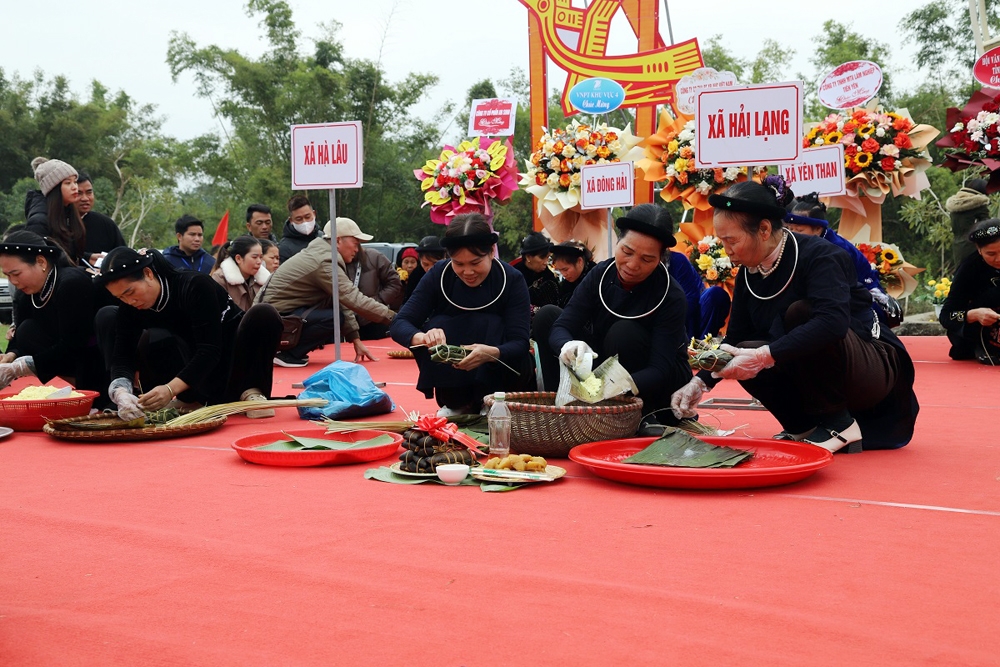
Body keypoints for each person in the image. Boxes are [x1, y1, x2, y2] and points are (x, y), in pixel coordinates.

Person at [670, 177, 919, 453]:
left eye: (732, 240)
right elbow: (737, 336)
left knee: (803, 314)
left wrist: (765, 355)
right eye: (722, 241)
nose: (727, 251)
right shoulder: (748, 273)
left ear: (764, 229)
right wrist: (699, 383)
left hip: (868, 368)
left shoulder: (821, 256)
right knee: (742, 348)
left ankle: (840, 424)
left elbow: (832, 323)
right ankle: (803, 426)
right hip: (815, 374)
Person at [533, 204, 692, 432]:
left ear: (661, 259)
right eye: (627, 252)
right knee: (547, 316)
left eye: (647, 259)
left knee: (623, 332)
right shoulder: (600, 274)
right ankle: (559, 409)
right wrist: (569, 345)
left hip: (652, 378)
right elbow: (562, 325)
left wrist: (611, 389)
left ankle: (639, 415)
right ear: (617, 243)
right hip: (606, 366)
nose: (633, 265)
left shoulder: (671, 295)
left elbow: (660, 369)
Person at [95, 247, 282, 419]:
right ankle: (191, 398)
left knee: (264, 314)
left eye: (130, 292)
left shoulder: (194, 285)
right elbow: (122, 355)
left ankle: (251, 390)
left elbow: (210, 350)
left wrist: (170, 389)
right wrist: (121, 392)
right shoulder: (130, 308)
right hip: (193, 378)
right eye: (121, 297)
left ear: (148, 273)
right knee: (111, 316)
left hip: (232, 363)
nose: (129, 301)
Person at [390, 213, 533, 416]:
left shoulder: (511, 279)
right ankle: (457, 404)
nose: (467, 272)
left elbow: (520, 343)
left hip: (502, 379)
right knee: (438, 324)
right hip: (454, 384)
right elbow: (400, 323)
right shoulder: (440, 275)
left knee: (490, 322)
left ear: (492, 252)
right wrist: (424, 337)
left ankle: (489, 402)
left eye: (475, 263)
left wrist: (491, 353)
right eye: (459, 263)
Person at [256, 219, 392, 367]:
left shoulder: (322, 254)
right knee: (334, 318)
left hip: (270, 319)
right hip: (271, 324)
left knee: (334, 312)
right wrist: (396, 320)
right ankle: (289, 354)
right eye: (356, 243)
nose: (357, 249)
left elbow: (341, 301)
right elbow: (353, 299)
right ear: (338, 240)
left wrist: (355, 339)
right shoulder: (325, 261)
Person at [0, 231, 106, 400]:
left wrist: (22, 366)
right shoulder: (25, 294)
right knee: (27, 329)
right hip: (57, 356)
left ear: (41, 262)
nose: (13, 281)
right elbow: (19, 336)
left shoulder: (71, 283)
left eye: (16, 274)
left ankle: (77, 391)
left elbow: (74, 343)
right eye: (7, 276)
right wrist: (10, 356)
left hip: (92, 359)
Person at [784, 193, 901, 326]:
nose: (792, 234)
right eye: (790, 229)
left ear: (817, 229)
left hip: (856, 298)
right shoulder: (797, 244)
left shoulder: (837, 249)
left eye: (799, 230)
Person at [938, 218, 1000, 363]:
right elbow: (946, 315)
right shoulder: (969, 269)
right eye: (990, 254)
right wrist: (973, 315)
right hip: (981, 335)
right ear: (979, 250)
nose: (998, 259)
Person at [343, 225, 403, 340]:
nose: (355, 249)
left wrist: (377, 302)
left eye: (357, 244)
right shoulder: (333, 262)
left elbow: (394, 283)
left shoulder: (375, 257)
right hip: (347, 322)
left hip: (375, 319)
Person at [24, 157, 87, 265]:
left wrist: (87, 258)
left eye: (75, 182)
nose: (75, 187)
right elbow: (38, 265)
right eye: (68, 183)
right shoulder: (39, 221)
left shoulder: (68, 214)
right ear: (53, 189)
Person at [74, 172, 127, 267]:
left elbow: (123, 256)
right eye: (79, 193)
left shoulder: (106, 224)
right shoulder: (58, 224)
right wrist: (86, 258)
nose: (85, 198)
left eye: (89, 192)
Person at [211, 236, 271, 312]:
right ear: (238, 258)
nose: (259, 262)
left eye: (261, 257)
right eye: (254, 257)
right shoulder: (220, 279)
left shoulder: (264, 280)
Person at [945, 179, 990, 267]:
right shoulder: (979, 205)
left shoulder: (954, 205)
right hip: (974, 247)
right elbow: (987, 226)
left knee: (963, 274)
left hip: (958, 246)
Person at [512, 231, 559, 311]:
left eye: (547, 257)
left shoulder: (548, 275)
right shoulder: (513, 276)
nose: (546, 262)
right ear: (528, 257)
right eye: (542, 258)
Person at [549, 240, 596, 308]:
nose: (563, 274)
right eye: (560, 270)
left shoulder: (595, 278)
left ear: (580, 261)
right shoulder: (567, 285)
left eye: (565, 269)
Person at [277, 195, 322, 263]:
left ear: (314, 214)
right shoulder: (284, 248)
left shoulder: (322, 237)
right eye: (299, 219)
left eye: (307, 217)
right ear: (291, 220)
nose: (304, 222)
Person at [403, 235, 447, 302]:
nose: (430, 269)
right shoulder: (415, 276)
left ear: (444, 258)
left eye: (435, 264)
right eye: (425, 264)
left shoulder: (452, 274)